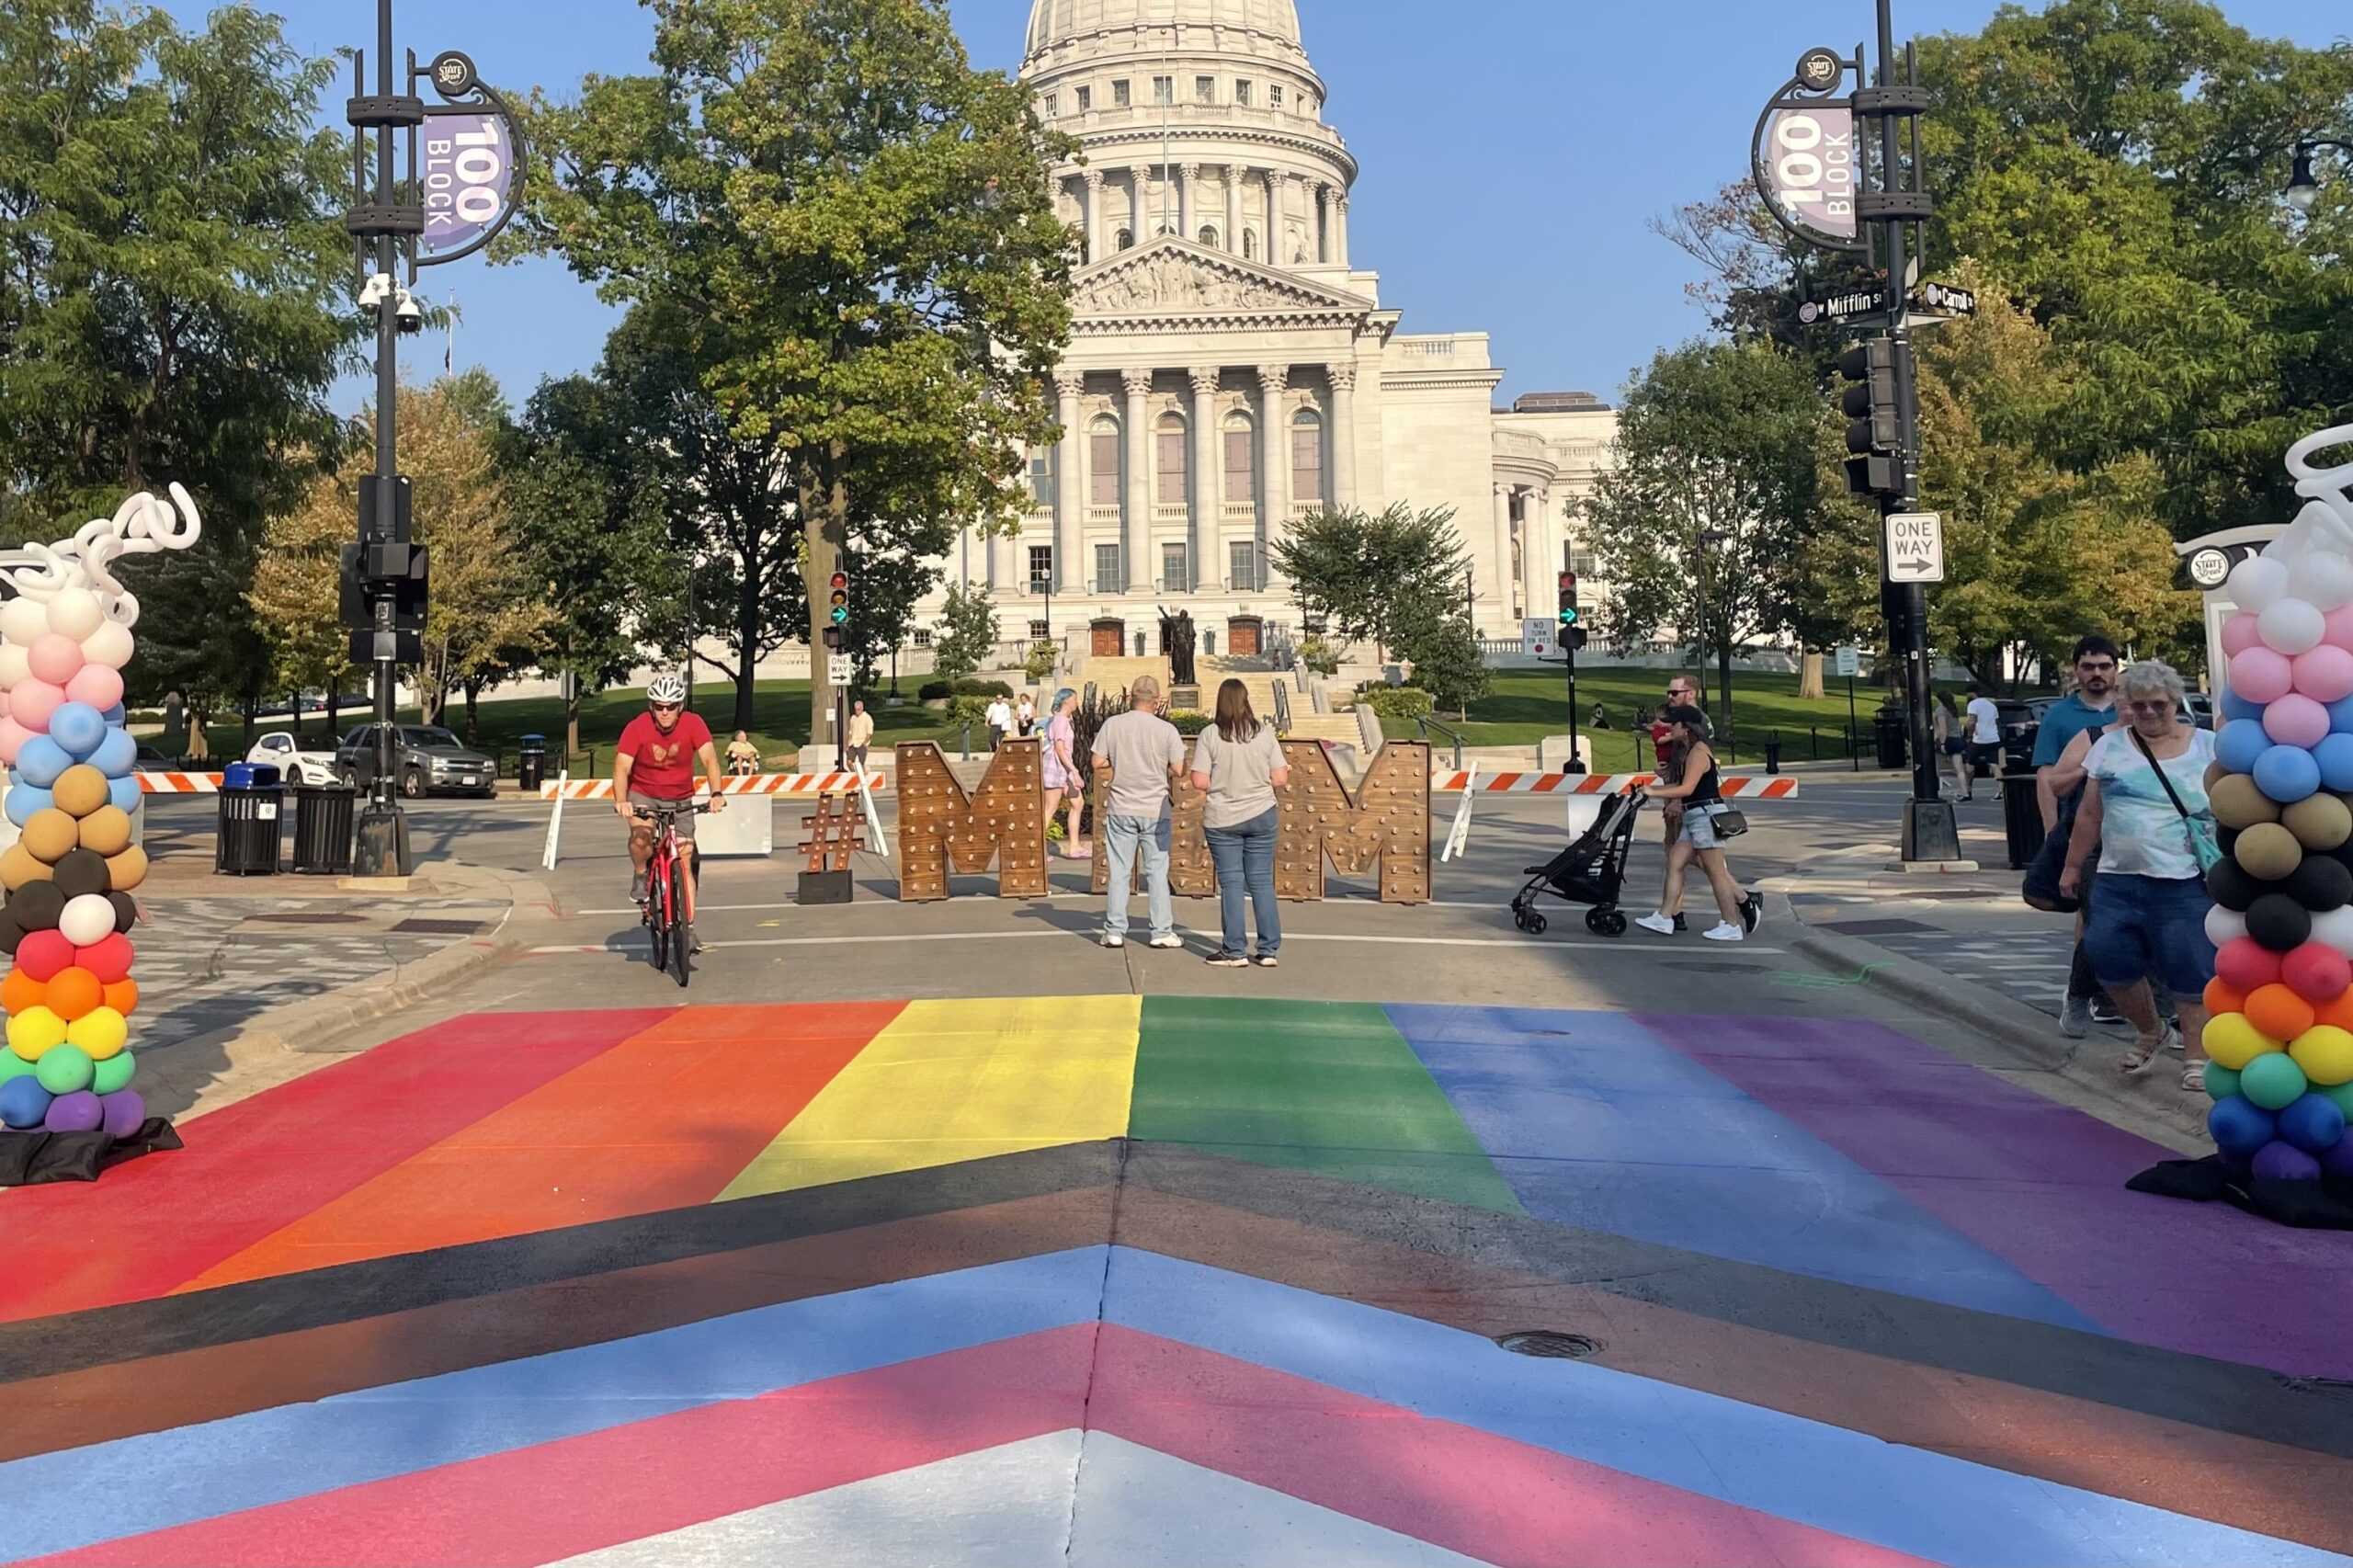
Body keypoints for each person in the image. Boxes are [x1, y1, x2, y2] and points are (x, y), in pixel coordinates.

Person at [2059, 660, 2214, 1091]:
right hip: (2117, 877)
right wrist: (2072, 865)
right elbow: (2090, 813)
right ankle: (2151, 1030)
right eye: (2138, 705)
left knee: (2190, 967)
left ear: (2175, 703)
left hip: (2184, 878)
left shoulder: (2208, 746)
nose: (2148, 713)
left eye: (2158, 705)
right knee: (2108, 957)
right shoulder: (2109, 747)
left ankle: (2197, 1057)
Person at [2036, 635, 2124, 1036]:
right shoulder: (2062, 717)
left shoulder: (2140, 709)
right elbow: (2046, 776)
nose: (2096, 674)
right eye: (2088, 667)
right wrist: (2053, 833)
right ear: (2076, 670)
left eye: (2104, 666)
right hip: (2084, 832)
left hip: (2132, 834)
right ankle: (2086, 992)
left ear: (2116, 669)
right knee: (2090, 919)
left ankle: (2118, 995)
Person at [614, 674, 727, 942]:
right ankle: (642, 875)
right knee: (641, 837)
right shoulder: (637, 727)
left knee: (685, 858)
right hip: (644, 794)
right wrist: (622, 800)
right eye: (659, 706)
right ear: (651, 707)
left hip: (680, 798)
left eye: (671, 706)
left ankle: (686, 927)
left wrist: (716, 793)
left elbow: (710, 759)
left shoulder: (693, 724)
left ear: (680, 706)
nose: (665, 712)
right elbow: (621, 767)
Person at [1635, 705, 1759, 941]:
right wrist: (1652, 789)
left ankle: (1731, 924)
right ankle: (1664, 917)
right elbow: (1681, 787)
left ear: (1687, 727)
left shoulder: (1699, 752)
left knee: (1716, 873)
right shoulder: (1689, 750)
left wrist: (1654, 791)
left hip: (1705, 815)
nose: (1671, 727)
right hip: (1694, 815)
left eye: (1675, 724)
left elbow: (1688, 788)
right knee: (1675, 860)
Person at [1193, 678, 1289, 968]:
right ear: (1246, 700)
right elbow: (1280, 778)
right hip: (1261, 811)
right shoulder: (1264, 734)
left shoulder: (1210, 735)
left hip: (1223, 816)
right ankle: (1268, 949)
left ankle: (1234, 950)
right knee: (1261, 880)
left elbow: (1199, 780)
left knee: (1232, 882)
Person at [1089, 675, 1187, 949]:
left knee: (1119, 871)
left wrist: (1118, 762)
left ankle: (1115, 930)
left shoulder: (1113, 724)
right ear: (1156, 702)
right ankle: (1161, 931)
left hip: (1122, 805)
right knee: (1156, 871)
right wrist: (1163, 767)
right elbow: (1179, 769)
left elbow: (1097, 761)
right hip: (1155, 808)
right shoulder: (1166, 730)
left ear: (1131, 698)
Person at [1652, 676, 1700, 932]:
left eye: (1675, 692)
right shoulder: (1681, 720)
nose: (1669, 696)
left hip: (1688, 800)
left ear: (1691, 693)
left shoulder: (1694, 723)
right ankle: (1672, 912)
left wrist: (1678, 799)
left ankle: (1741, 898)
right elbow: (1676, 760)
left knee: (1692, 857)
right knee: (1674, 854)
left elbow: (1693, 765)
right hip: (1677, 795)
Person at [1040, 687, 1084, 857]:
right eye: (1075, 699)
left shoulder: (1063, 719)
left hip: (1064, 766)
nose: (1077, 703)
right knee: (1050, 807)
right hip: (1057, 766)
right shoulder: (1060, 721)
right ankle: (1037, 850)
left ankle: (1074, 846)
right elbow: (1059, 748)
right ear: (1067, 701)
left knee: (1077, 803)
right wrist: (1074, 770)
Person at [1934, 692, 1972, 801]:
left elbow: (1943, 729)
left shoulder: (1940, 710)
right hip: (1957, 739)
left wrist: (1942, 744)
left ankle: (1934, 790)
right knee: (1959, 769)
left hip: (1947, 740)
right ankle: (1965, 792)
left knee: (1936, 767)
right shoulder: (1952, 709)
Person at [1963, 683, 2002, 786]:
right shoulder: (1991, 705)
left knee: (1969, 765)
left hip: (1979, 739)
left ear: (1972, 693)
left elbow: (1971, 722)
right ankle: (2001, 791)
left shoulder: (1973, 704)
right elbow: (1996, 722)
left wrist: (1969, 735)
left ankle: (1967, 790)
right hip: (1993, 738)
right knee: (1995, 765)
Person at [844, 701, 874, 773]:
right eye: (856, 709)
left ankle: (863, 775)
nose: (857, 711)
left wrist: (864, 743)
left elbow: (869, 733)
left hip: (862, 743)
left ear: (862, 708)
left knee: (861, 764)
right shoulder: (853, 718)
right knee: (849, 762)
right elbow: (850, 732)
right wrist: (848, 743)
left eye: (859, 709)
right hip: (853, 743)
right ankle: (855, 774)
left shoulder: (867, 718)